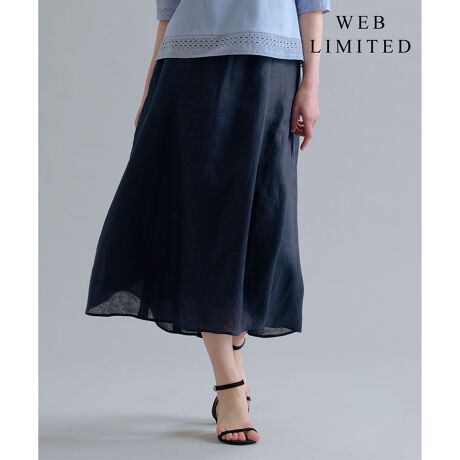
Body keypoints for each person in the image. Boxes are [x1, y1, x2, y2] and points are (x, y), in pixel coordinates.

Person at [85, 0, 330, 446]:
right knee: (205, 221)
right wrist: (150, 85)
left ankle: (234, 353)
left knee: (261, 220)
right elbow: (169, 10)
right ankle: (229, 385)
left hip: (273, 68)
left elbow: (311, 5)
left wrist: (311, 85)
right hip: (188, 67)